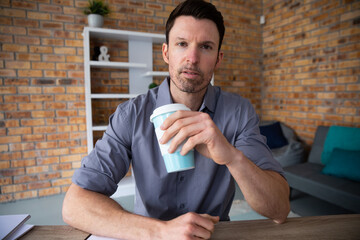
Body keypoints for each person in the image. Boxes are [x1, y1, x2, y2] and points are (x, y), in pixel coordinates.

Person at [62, 0, 290, 239]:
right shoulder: (131, 115)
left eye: (206, 47)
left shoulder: (239, 112)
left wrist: (232, 157)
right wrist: (161, 231)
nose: (192, 58)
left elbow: (280, 209)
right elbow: (75, 205)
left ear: (218, 59)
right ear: (166, 53)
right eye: (182, 44)